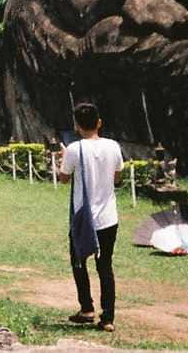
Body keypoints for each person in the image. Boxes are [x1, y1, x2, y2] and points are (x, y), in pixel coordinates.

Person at [58, 101, 123, 332]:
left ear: (76, 126)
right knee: (105, 266)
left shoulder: (74, 149)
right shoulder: (113, 146)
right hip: (108, 218)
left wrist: (63, 157)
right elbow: (117, 178)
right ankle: (108, 318)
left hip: (83, 219)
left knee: (78, 262)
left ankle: (86, 308)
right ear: (99, 123)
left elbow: (64, 178)